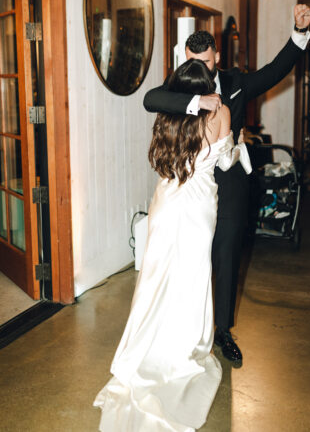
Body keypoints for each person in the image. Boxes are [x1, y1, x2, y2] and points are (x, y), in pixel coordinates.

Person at [143, 4, 310, 365]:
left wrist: (298, 34)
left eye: (204, 63)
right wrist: (197, 99)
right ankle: (187, 324)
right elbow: (150, 99)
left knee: (226, 251)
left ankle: (222, 330)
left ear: (216, 57)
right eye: (191, 62)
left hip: (230, 179)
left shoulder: (236, 83)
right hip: (192, 185)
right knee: (191, 255)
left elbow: (274, 71)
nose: (197, 69)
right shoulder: (182, 83)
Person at [94, 59, 251, 432]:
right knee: (191, 279)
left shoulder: (169, 112)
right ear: (207, 84)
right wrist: (239, 146)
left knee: (156, 279)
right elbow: (225, 161)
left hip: (166, 202)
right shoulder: (221, 111)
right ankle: (183, 352)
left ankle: (144, 350)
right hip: (199, 207)